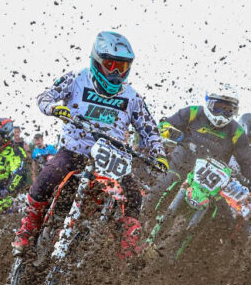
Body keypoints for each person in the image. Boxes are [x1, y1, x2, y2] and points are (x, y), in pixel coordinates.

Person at [12, 31, 167, 254]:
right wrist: (54, 108)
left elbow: (149, 128)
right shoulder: (76, 79)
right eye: (111, 65)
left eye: (122, 67)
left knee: (133, 196)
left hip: (113, 159)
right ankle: (27, 230)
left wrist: (159, 154)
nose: (116, 73)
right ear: (97, 61)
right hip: (76, 150)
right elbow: (44, 97)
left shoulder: (132, 97)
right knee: (47, 177)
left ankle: (126, 252)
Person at [154, 84, 251, 197]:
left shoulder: (237, 131)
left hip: (210, 184)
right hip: (179, 166)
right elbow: (163, 125)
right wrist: (177, 135)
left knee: (223, 207)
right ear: (208, 103)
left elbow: (247, 161)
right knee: (163, 184)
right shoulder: (193, 112)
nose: (222, 114)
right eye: (218, 107)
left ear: (234, 111)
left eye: (228, 110)